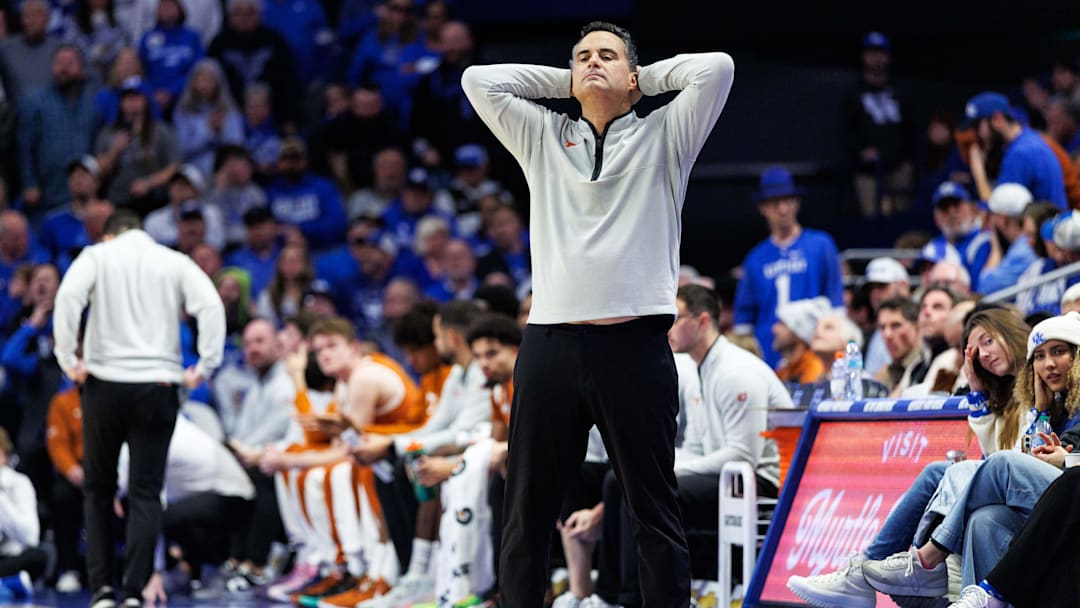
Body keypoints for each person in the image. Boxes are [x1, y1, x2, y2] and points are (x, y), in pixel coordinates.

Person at [462, 21, 734, 607]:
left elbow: (717, 66)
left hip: (634, 348)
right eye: (581, 55)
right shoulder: (540, 135)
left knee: (653, 513)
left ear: (633, 73)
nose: (591, 62)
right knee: (525, 515)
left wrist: (636, 83)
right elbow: (478, 79)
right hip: (550, 347)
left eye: (607, 55)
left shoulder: (667, 133)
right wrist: (575, 84)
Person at [787, 307, 1032, 607]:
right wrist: (978, 390)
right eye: (975, 349)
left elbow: (1009, 463)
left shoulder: (1037, 382)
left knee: (951, 478)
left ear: (1011, 333)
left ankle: (910, 565)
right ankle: (873, 572)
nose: (983, 354)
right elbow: (995, 455)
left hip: (1030, 496)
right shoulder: (1005, 395)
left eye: (989, 341)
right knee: (939, 472)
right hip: (1009, 490)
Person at [52, 210, 226, 608]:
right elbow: (212, 306)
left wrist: (67, 358)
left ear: (110, 234)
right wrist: (206, 365)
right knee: (147, 493)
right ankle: (134, 592)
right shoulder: (173, 260)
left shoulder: (97, 256)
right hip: (158, 384)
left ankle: (102, 592)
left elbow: (67, 299)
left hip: (104, 385)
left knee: (98, 490)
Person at [733, 166, 844, 368]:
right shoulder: (755, 258)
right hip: (769, 352)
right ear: (763, 208)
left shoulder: (820, 245)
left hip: (813, 351)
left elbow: (836, 302)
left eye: (788, 201)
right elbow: (743, 319)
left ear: (797, 203)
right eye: (775, 203)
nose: (783, 209)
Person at [843, 31, 914, 217]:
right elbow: (846, 131)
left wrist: (908, 159)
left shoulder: (899, 91)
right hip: (868, 171)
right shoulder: (854, 93)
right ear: (864, 56)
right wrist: (860, 151)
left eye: (881, 53)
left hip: (899, 166)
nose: (876, 58)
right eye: (872, 53)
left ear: (888, 57)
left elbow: (911, 128)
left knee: (902, 215)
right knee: (872, 217)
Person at [963, 91, 1067, 208]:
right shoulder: (1029, 138)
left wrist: (978, 172)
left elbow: (997, 211)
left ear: (998, 119)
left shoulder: (1019, 154)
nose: (976, 135)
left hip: (1044, 223)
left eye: (977, 126)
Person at [773, 296, 833, 384]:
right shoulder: (785, 369)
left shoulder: (813, 368)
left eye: (782, 324)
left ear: (798, 334)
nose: (774, 329)